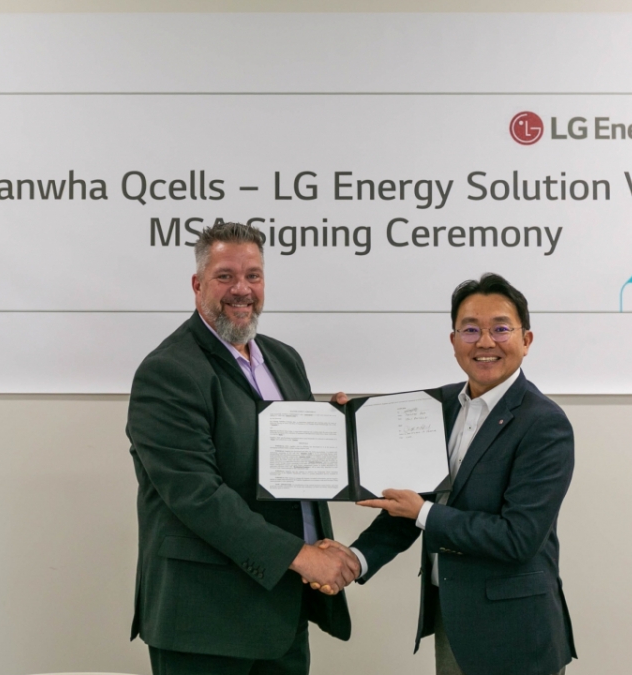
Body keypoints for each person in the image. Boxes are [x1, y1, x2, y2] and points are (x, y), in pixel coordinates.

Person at [127, 221, 360, 675]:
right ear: (197, 285)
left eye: (253, 275)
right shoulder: (168, 370)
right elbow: (198, 496)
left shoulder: (284, 359)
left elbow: (289, 462)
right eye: (225, 276)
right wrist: (304, 557)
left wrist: (341, 431)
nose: (242, 289)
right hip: (205, 622)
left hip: (283, 611)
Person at [339, 273, 577, 675]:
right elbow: (411, 506)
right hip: (452, 619)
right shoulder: (438, 407)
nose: (485, 342)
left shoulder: (544, 423)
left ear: (526, 340)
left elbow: (518, 538)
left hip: (515, 632)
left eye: (500, 328)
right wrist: (355, 559)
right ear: (453, 341)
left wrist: (422, 512)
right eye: (470, 330)